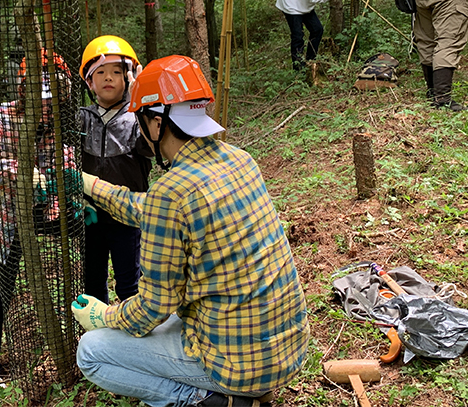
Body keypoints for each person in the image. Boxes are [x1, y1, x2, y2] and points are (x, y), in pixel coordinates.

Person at [71, 55, 309, 407]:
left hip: (234, 363)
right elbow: (146, 210)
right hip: (286, 349)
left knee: (91, 351)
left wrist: (103, 315)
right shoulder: (239, 159)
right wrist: (88, 183)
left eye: (140, 122)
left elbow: (153, 308)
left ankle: (211, 400)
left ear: (156, 124)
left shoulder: (172, 193)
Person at [0, 51, 79, 379]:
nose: (47, 105)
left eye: (54, 96)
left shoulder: (59, 125)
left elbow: (67, 161)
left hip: (39, 217)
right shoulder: (0, 117)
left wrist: (62, 192)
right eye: (40, 95)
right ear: (23, 90)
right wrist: (21, 171)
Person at [78, 36, 152, 304]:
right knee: (92, 281)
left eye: (117, 72)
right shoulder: (81, 117)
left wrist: (140, 100)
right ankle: (99, 332)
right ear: (89, 81)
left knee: (130, 282)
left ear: (129, 77)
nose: (109, 78)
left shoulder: (138, 118)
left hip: (129, 217)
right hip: (90, 217)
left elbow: (150, 147)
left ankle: (132, 333)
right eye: (101, 72)